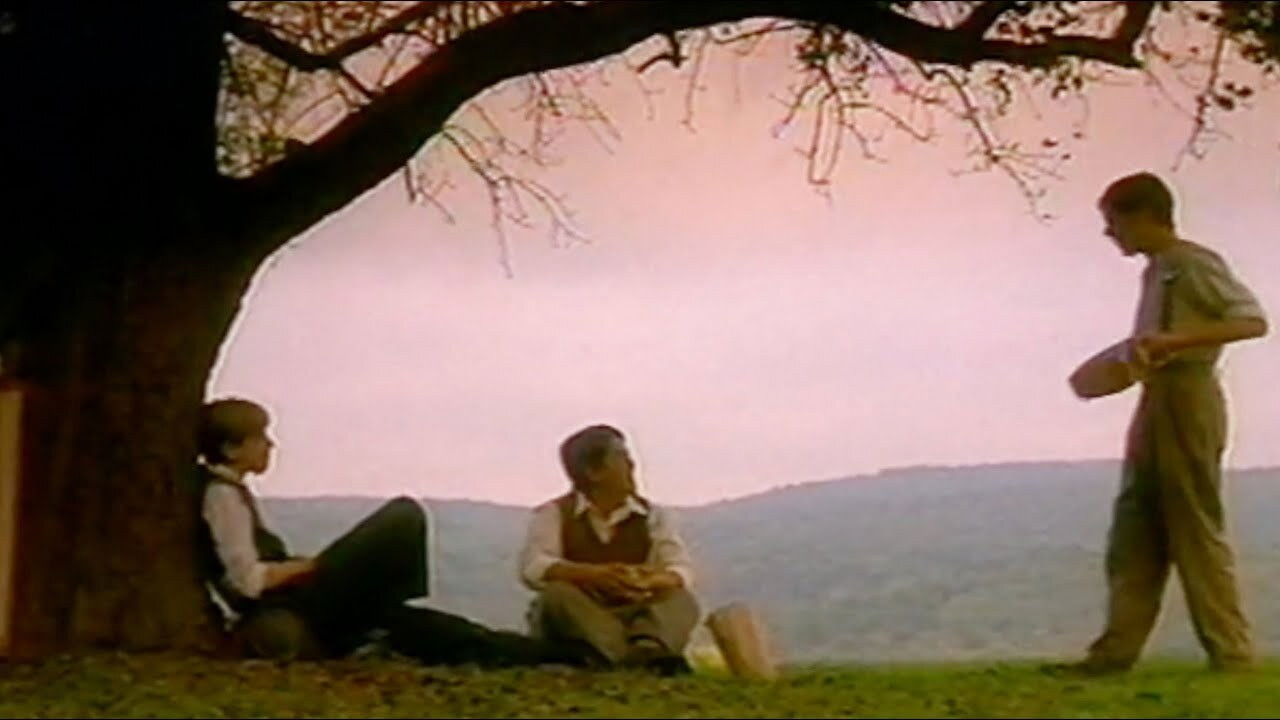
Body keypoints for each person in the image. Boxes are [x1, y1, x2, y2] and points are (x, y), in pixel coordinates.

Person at [192, 397, 582, 667]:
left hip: (296, 602)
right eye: (260, 438)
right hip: (287, 605)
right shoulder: (222, 497)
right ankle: (386, 598)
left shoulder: (231, 492)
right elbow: (247, 581)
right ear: (231, 448)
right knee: (402, 516)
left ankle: (551, 655)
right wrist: (312, 567)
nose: (270, 446)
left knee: (438, 630)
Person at [1063, 172, 1268, 675]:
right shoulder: (1158, 270)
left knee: (1194, 526)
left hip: (1189, 396)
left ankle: (1232, 653)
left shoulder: (1193, 264)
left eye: (1115, 222)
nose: (1110, 234)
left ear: (1144, 217)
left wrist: (1174, 342)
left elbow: (1252, 321)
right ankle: (1113, 654)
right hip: (1156, 397)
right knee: (1135, 529)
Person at [518, 424, 700, 674]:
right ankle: (638, 660)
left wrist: (648, 580)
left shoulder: (653, 515)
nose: (631, 466)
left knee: (680, 599)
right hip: (586, 615)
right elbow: (533, 566)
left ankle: (643, 650)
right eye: (621, 457)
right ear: (594, 472)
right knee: (556, 596)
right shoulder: (554, 513)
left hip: (638, 613)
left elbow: (681, 567)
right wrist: (594, 575)